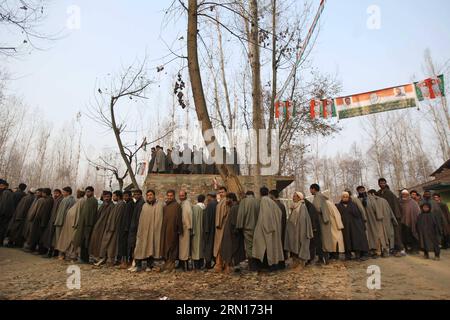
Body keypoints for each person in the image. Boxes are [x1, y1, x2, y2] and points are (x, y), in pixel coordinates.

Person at [131, 189, 164, 272]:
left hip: (154, 231)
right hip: (143, 231)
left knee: (151, 247)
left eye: (151, 195)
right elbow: (141, 219)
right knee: (140, 247)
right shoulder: (144, 206)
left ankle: (150, 265)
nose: (149, 196)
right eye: (148, 195)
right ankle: (138, 265)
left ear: (154, 195)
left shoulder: (160, 205)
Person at [252, 187, 284, 271]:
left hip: (267, 229)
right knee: (272, 247)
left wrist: (267, 228)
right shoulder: (272, 201)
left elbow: (265, 215)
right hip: (273, 228)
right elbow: (278, 213)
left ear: (260, 193)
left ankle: (270, 266)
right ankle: (272, 265)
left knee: (265, 247)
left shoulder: (264, 200)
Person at [311, 184, 343, 263]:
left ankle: (324, 259)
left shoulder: (318, 197)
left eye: (311, 189)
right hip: (324, 221)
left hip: (321, 221)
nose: (310, 191)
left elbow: (318, 208)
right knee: (324, 240)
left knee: (323, 240)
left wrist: (313, 212)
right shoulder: (321, 197)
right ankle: (324, 258)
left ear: (313, 189)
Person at [336, 192, 369, 261]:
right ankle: (348, 255)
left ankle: (358, 254)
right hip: (345, 226)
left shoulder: (353, 205)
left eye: (346, 196)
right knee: (347, 239)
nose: (345, 198)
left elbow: (358, 215)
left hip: (355, 225)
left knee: (356, 239)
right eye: (343, 196)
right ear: (341, 197)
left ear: (349, 197)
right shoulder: (339, 206)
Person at [357, 186, 388, 258]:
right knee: (367, 235)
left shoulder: (370, 198)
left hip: (373, 219)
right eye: (360, 190)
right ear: (358, 191)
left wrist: (379, 216)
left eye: (362, 189)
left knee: (375, 234)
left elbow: (375, 207)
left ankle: (377, 251)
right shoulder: (358, 199)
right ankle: (370, 251)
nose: (361, 191)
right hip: (364, 220)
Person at [284, 192, 313, 268]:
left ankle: (301, 264)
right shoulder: (294, 206)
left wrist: (300, 231)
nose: (293, 198)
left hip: (300, 231)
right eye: (293, 196)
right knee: (294, 247)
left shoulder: (302, 206)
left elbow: (303, 220)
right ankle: (295, 263)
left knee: (301, 246)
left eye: (295, 196)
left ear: (299, 198)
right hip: (293, 231)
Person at [98, 191, 127, 267]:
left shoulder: (121, 204)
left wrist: (112, 227)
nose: (113, 198)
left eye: (114, 196)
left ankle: (111, 260)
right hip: (111, 228)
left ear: (118, 196)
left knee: (112, 245)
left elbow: (117, 218)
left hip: (114, 228)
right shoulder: (118, 204)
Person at [376, 178, 404, 257]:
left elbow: (395, 205)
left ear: (386, 183)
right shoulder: (378, 193)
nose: (382, 184)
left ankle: (398, 249)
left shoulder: (390, 193)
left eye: (383, 183)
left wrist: (395, 216)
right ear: (378, 184)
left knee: (394, 233)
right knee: (384, 234)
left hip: (391, 216)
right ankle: (386, 250)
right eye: (380, 183)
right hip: (382, 217)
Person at [56, 190, 86, 261]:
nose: (77, 194)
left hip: (74, 224)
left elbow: (78, 213)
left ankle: (72, 256)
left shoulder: (82, 201)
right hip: (71, 223)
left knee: (72, 240)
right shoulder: (79, 200)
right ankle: (69, 255)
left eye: (78, 193)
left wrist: (74, 221)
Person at [220, 193, 245, 274]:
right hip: (231, 233)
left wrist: (235, 231)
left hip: (233, 234)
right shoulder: (233, 207)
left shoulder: (234, 208)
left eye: (227, 199)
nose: (226, 201)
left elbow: (234, 222)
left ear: (231, 199)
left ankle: (233, 267)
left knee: (232, 250)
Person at [72, 186, 99, 263]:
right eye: (86, 192)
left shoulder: (93, 201)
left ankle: (85, 259)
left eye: (89, 192)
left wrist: (88, 225)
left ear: (92, 192)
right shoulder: (88, 200)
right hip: (84, 225)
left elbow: (91, 214)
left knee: (86, 242)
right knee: (83, 242)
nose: (87, 193)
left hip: (88, 225)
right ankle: (83, 258)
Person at [236, 191, 260, 271]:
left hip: (247, 228)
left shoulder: (244, 202)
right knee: (258, 246)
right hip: (258, 228)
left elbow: (241, 215)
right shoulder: (258, 201)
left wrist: (239, 226)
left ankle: (253, 266)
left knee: (249, 247)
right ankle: (258, 265)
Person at [160, 190, 183, 273]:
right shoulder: (165, 206)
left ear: (174, 196)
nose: (169, 197)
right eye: (168, 195)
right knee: (165, 246)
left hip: (173, 230)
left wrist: (179, 229)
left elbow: (179, 218)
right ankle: (166, 263)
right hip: (165, 229)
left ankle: (171, 265)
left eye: (171, 196)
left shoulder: (177, 205)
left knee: (172, 246)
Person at [25, 188, 54, 254]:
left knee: (40, 236)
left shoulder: (47, 200)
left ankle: (40, 250)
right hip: (41, 220)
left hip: (42, 221)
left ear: (45, 193)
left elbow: (45, 212)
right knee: (37, 235)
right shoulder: (47, 199)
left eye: (43, 193)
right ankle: (35, 249)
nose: (42, 194)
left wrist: (42, 222)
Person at [89, 191, 114, 264]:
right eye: (105, 197)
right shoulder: (102, 205)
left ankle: (102, 258)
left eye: (108, 197)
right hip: (98, 227)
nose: (106, 198)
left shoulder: (112, 206)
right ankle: (95, 257)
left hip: (105, 228)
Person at [41, 189, 64, 257]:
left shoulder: (60, 200)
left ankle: (51, 253)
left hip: (55, 221)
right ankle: (52, 253)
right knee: (51, 238)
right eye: (54, 193)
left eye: (56, 193)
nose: (55, 195)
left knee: (53, 238)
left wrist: (55, 220)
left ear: (60, 194)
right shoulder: (56, 200)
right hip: (53, 221)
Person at [53, 187, 76, 253]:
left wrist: (59, 221)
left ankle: (61, 253)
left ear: (68, 192)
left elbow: (64, 212)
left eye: (63, 192)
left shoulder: (68, 200)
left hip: (62, 221)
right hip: (64, 221)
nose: (62, 193)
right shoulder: (69, 199)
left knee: (61, 238)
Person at [213, 186, 230, 272]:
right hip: (219, 227)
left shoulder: (226, 201)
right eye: (220, 192)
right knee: (219, 246)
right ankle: (219, 264)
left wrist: (218, 224)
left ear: (226, 192)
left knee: (222, 246)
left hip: (223, 227)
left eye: (222, 192)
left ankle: (223, 265)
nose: (221, 194)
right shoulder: (221, 202)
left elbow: (224, 214)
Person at [269, 189, 287, 269]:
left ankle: (275, 264)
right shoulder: (282, 205)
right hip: (282, 228)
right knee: (281, 246)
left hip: (276, 229)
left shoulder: (273, 205)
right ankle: (282, 263)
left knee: (275, 247)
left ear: (272, 196)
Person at [127, 189, 145, 266]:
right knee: (133, 245)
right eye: (135, 194)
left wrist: (137, 227)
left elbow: (139, 217)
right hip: (133, 228)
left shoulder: (142, 203)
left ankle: (137, 263)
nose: (136, 196)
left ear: (141, 195)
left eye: (138, 194)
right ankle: (134, 262)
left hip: (137, 228)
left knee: (137, 246)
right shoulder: (136, 203)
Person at [399, 190, 420, 254]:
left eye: (406, 194)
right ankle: (407, 249)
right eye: (403, 194)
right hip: (402, 222)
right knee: (404, 236)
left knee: (413, 235)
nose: (404, 195)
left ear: (408, 194)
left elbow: (418, 211)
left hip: (413, 222)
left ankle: (415, 249)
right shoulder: (399, 202)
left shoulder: (413, 202)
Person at [117, 190, 135, 268]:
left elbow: (129, 218)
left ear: (130, 196)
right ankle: (124, 262)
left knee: (125, 247)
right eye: (124, 196)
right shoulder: (127, 203)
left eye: (126, 196)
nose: (125, 197)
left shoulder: (130, 204)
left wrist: (126, 228)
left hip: (127, 229)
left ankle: (126, 263)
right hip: (124, 227)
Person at [304, 197, 323, 265]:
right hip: (310, 227)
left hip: (312, 228)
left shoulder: (308, 205)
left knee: (312, 243)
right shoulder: (307, 205)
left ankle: (312, 258)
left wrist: (313, 227)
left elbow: (312, 216)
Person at [202, 192, 217, 269]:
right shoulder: (216, 203)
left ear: (210, 197)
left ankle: (208, 263)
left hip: (209, 229)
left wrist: (206, 230)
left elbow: (207, 218)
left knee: (208, 246)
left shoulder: (210, 205)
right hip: (215, 229)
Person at [178, 190, 193, 271]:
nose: (181, 197)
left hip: (185, 227)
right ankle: (183, 264)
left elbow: (189, 215)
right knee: (183, 247)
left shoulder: (186, 203)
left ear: (185, 195)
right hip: (182, 227)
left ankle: (185, 266)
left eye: (182, 195)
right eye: (180, 195)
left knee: (185, 247)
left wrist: (189, 226)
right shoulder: (182, 203)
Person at [191, 194, 206, 270]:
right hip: (202, 231)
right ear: (204, 200)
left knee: (195, 248)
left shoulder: (194, 208)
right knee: (201, 247)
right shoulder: (204, 208)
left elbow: (192, 220)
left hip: (195, 231)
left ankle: (196, 266)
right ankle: (201, 264)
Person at [0, 179, 15, 245]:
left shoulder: (5, 193)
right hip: (6, 214)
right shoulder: (8, 192)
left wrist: (2, 213)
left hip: (4, 215)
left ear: (3, 186)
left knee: (2, 228)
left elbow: (3, 205)